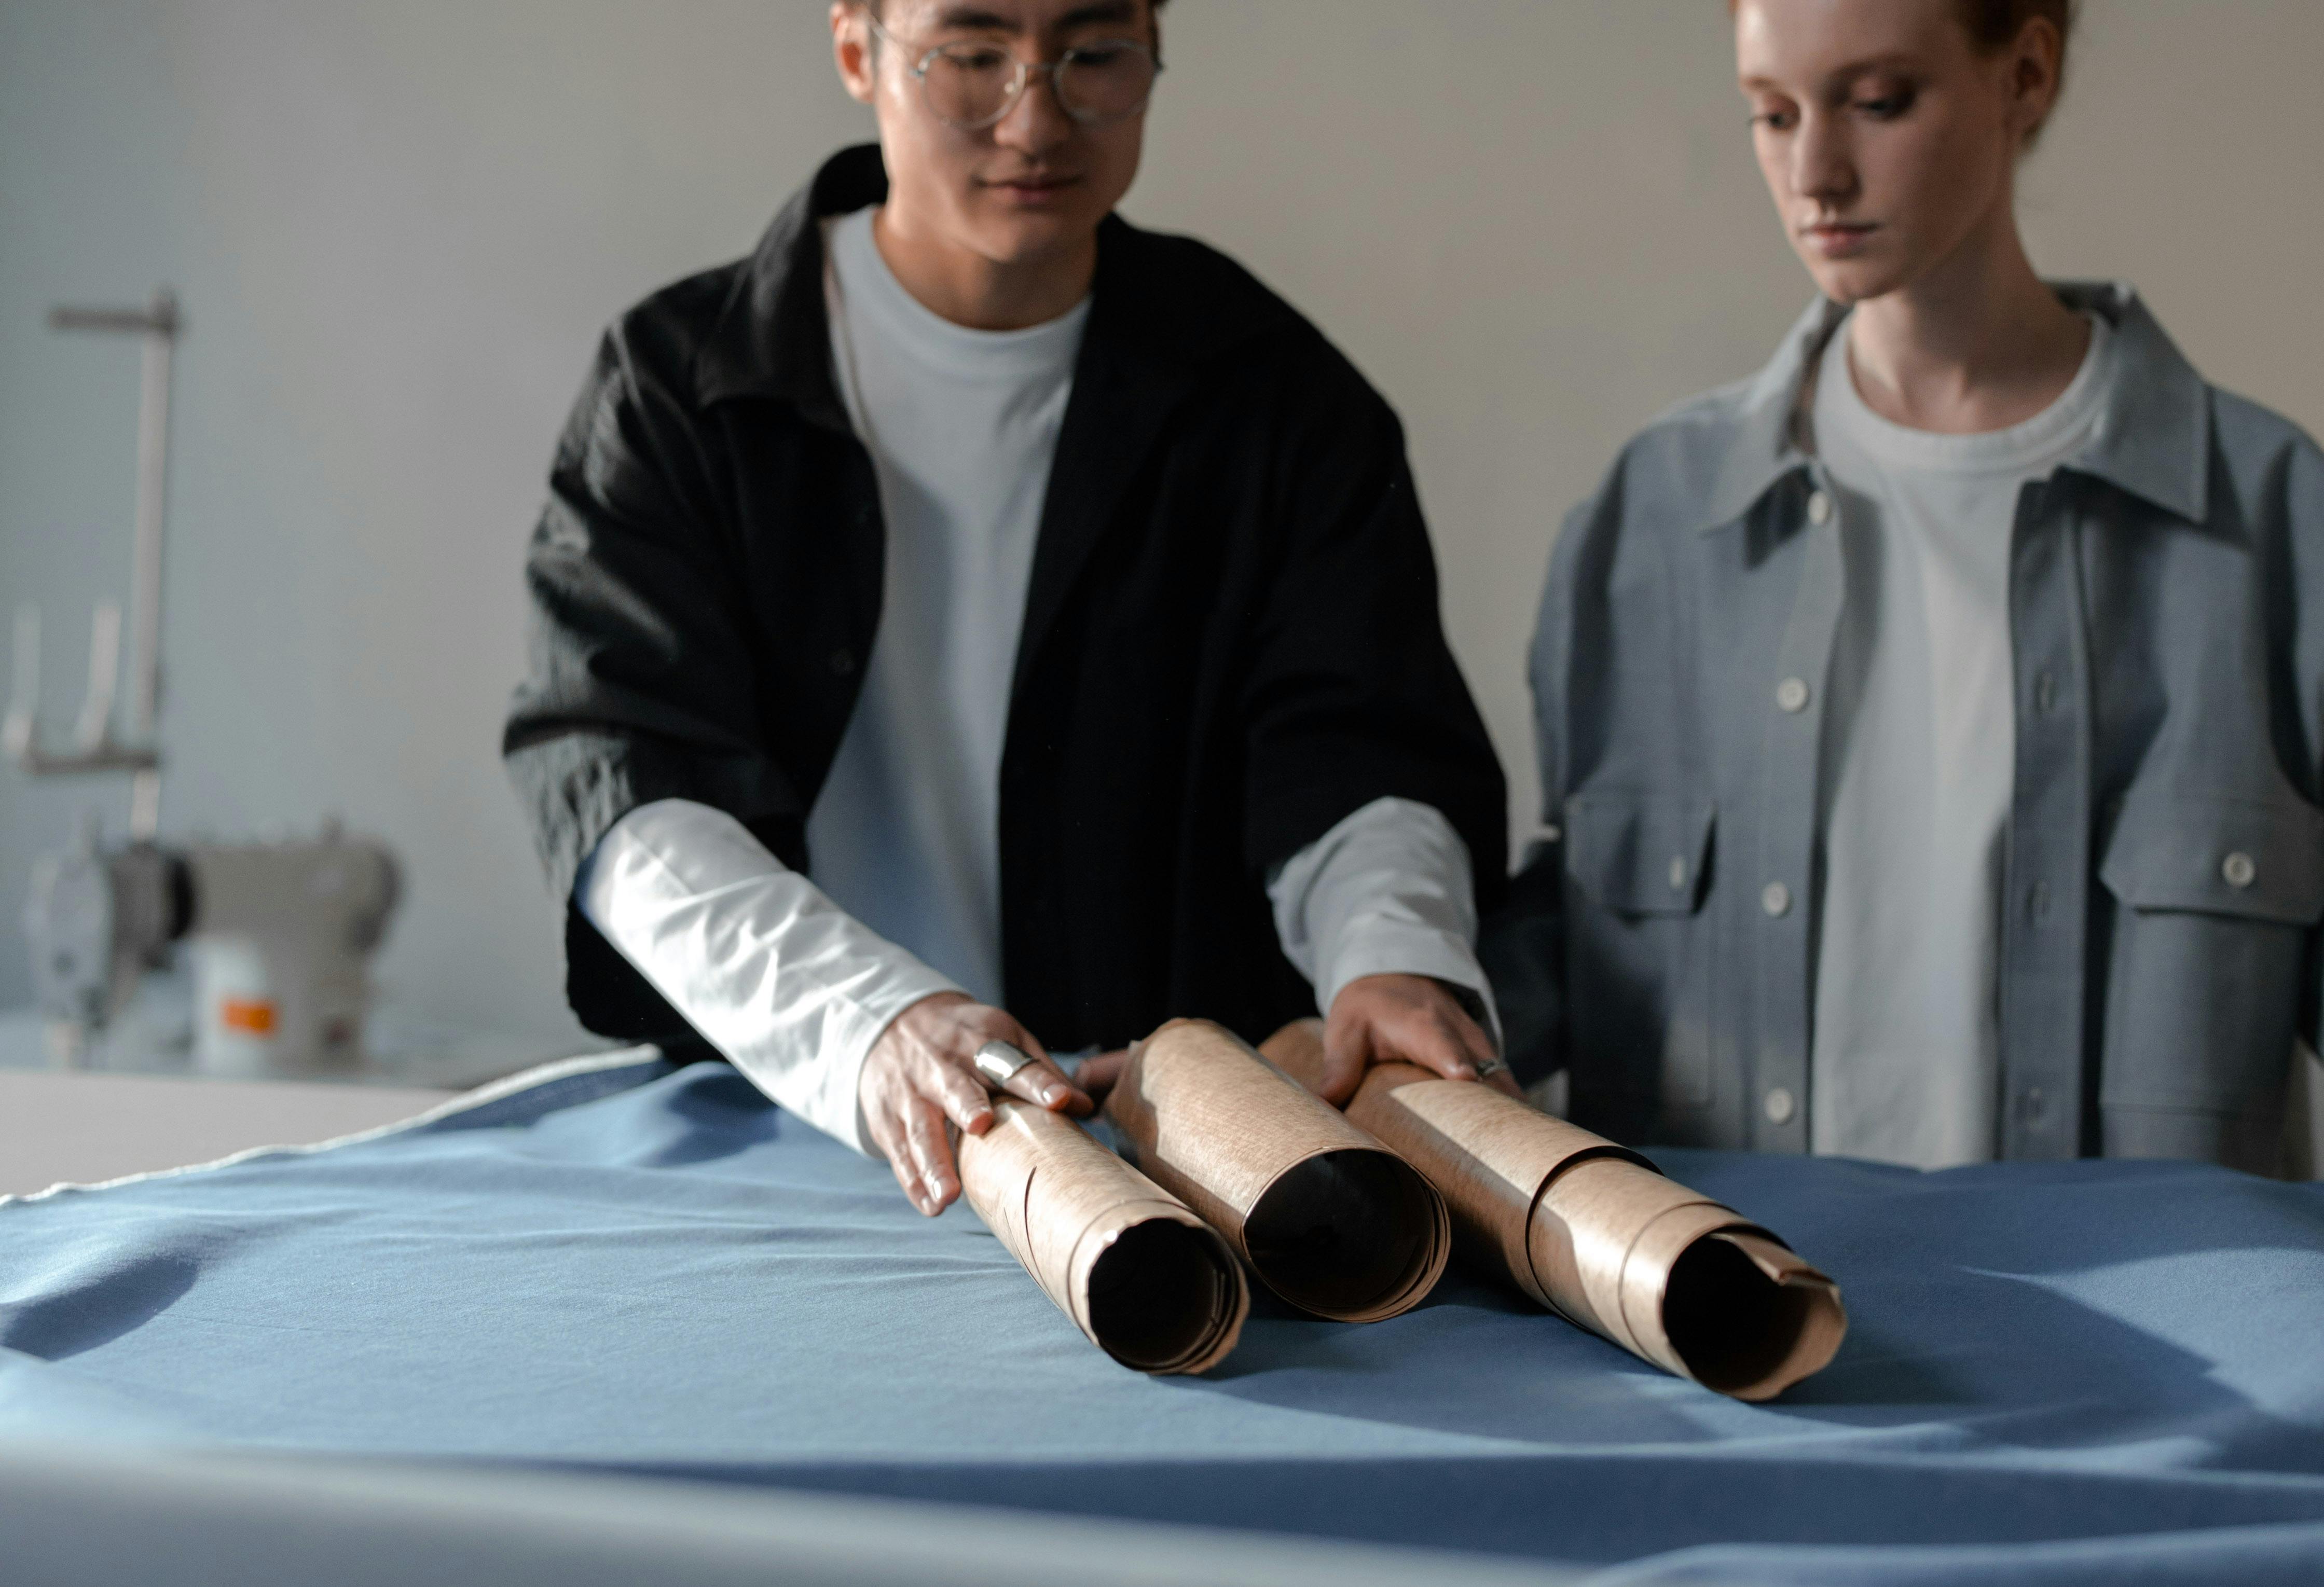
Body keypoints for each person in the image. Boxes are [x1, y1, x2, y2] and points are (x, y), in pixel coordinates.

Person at [504, 0, 1510, 1216]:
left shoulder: (1275, 395)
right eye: (971, 56)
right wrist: (871, 1025)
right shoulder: (681, 385)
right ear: (854, 50)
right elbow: (624, 782)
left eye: (1092, 56)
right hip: (799, 1147)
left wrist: (1387, 955)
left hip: (1193, 1170)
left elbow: (1357, 745)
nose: (1034, 120)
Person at [1485, 0, 2324, 1173]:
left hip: (2154, 1347)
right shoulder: (1656, 514)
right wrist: (1368, 1022)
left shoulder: (2270, 517)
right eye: (1769, 115)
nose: (1812, 174)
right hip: (1735, 1332)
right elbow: (1569, 944)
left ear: (2022, 72)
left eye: (1875, 103)